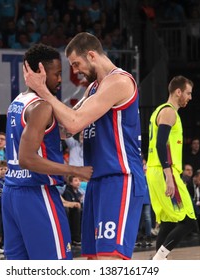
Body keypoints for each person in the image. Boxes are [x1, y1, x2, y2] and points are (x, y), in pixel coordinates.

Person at [24, 33, 146, 260]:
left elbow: (73, 121)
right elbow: (66, 128)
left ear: (91, 55)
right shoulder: (93, 88)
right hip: (97, 180)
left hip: (119, 178)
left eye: (77, 64)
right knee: (93, 259)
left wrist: (43, 91)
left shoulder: (119, 81)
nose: (76, 71)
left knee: (110, 261)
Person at [3, 43, 93, 260]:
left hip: (12, 193)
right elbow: (27, 158)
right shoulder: (42, 106)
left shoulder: (18, 102)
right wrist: (74, 170)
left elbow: (57, 132)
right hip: (37, 192)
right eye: (58, 74)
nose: (60, 79)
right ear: (41, 72)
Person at [146, 75, 197, 260]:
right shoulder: (169, 112)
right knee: (189, 221)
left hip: (155, 170)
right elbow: (161, 145)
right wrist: (169, 175)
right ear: (178, 92)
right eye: (188, 93)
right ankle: (158, 260)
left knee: (168, 221)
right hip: (164, 170)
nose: (190, 97)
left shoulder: (158, 111)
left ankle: (160, 262)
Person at [62, 175, 84, 246]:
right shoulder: (67, 192)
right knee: (76, 211)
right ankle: (75, 239)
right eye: (76, 180)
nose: (78, 182)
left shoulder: (80, 192)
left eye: (79, 180)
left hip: (79, 213)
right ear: (70, 183)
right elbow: (67, 204)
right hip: (72, 214)